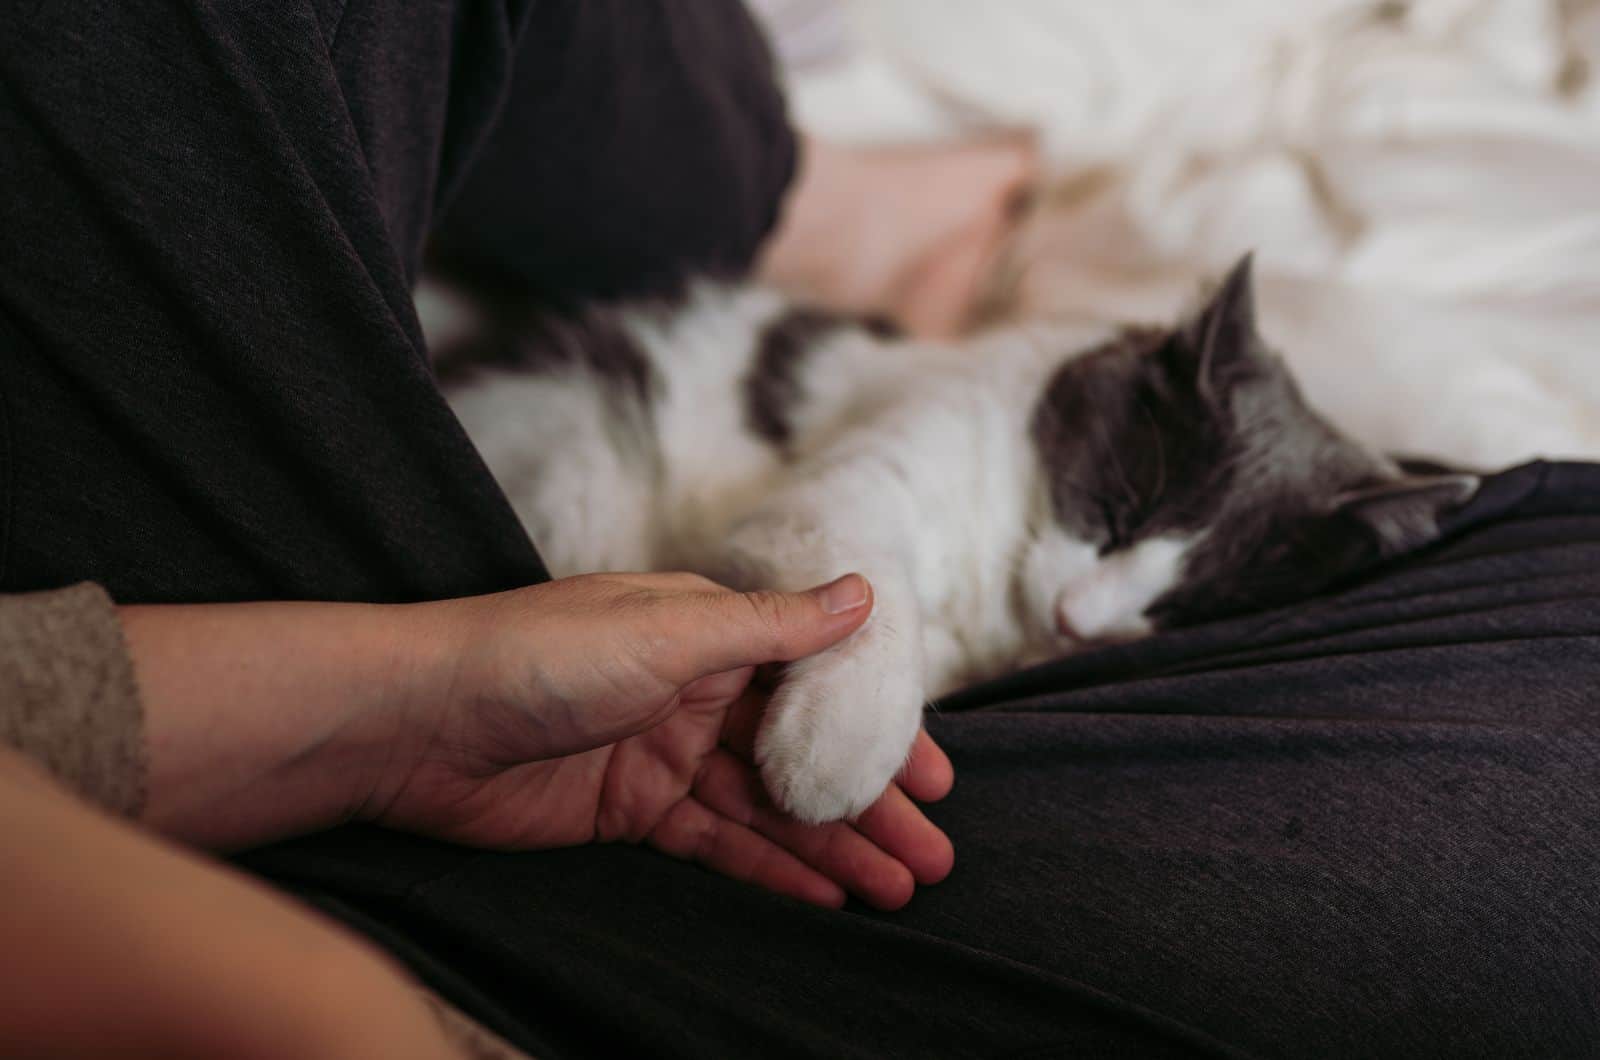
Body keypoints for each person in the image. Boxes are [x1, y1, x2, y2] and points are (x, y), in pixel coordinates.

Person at [1, 3, 1595, 1058]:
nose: (1097, 607)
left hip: (274, 719)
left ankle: (805, 196)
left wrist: (398, 711)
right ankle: (810, 199)